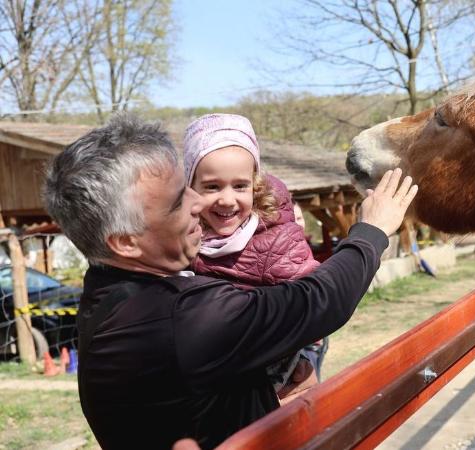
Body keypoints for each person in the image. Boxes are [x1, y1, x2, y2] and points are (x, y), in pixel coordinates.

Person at [43, 114, 417, 449]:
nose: (196, 204)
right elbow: (318, 301)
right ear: (125, 241)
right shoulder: (181, 318)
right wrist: (371, 231)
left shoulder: (106, 290)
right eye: (176, 202)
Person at [182, 113, 323, 401]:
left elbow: (313, 295)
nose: (227, 199)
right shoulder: (183, 233)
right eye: (212, 186)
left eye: (240, 186)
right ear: (190, 186)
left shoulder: (273, 236)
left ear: (255, 185)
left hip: (274, 363)